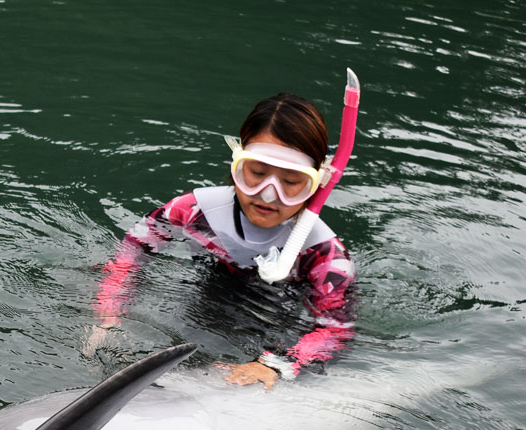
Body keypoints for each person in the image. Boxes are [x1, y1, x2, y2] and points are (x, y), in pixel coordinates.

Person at [84, 93, 355, 390]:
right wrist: (108, 317)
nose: (268, 194)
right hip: (203, 298)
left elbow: (335, 330)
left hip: (281, 324)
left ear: (318, 183)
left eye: (291, 182)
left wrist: (275, 365)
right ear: (237, 162)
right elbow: (130, 255)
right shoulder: (191, 211)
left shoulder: (325, 254)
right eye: (257, 173)